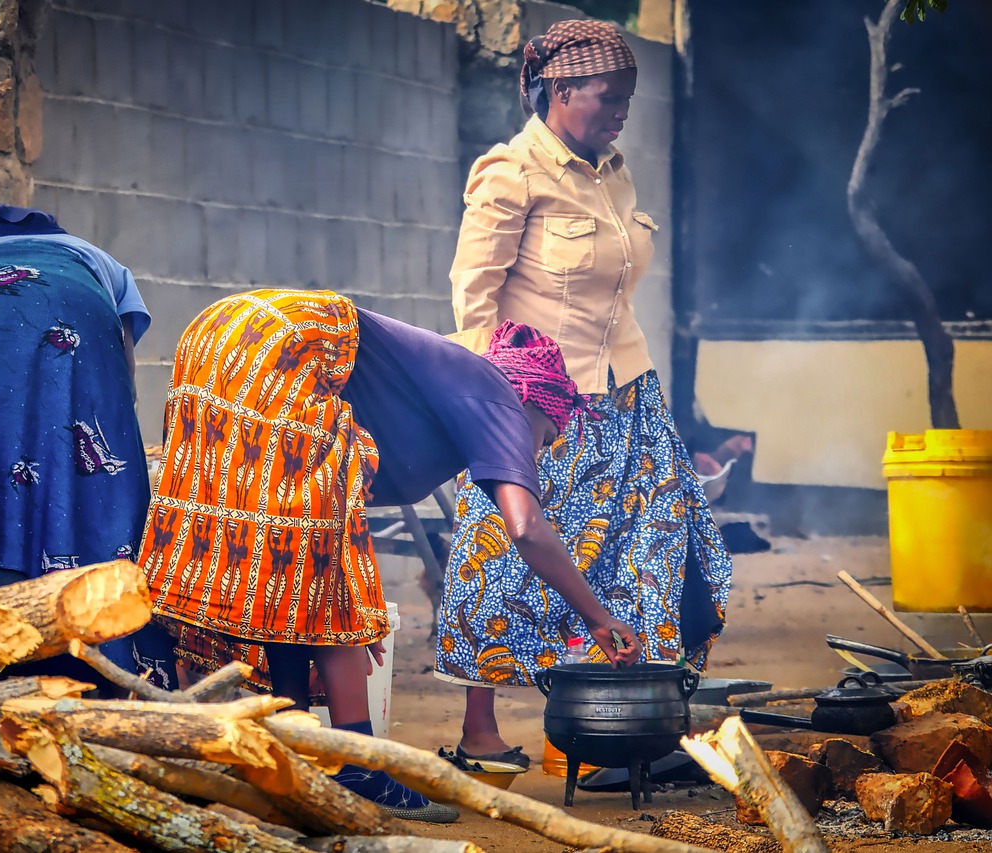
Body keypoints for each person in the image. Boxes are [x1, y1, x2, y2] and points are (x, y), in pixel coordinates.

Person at [135, 289, 641, 822]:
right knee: (331, 574)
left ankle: (290, 746)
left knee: (291, 567)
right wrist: (599, 618)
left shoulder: (442, 388)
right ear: (536, 402)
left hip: (221, 332)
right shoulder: (502, 401)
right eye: (547, 437)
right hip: (294, 340)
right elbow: (527, 528)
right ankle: (360, 768)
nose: (535, 452)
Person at [442, 20, 733, 768]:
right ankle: (480, 729)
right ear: (561, 91)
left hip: (629, 396)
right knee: (506, 548)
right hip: (542, 402)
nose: (622, 110)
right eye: (610, 96)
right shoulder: (511, 173)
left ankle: (618, 720)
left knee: (652, 543)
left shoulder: (614, 170)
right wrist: (491, 403)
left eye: (628, 97)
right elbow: (472, 297)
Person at [0, 204, 154, 686]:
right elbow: (124, 380)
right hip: (74, 306)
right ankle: (104, 659)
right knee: (85, 469)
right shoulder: (98, 264)